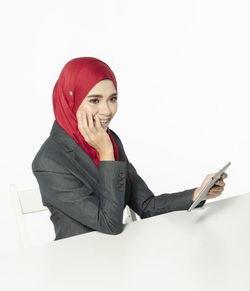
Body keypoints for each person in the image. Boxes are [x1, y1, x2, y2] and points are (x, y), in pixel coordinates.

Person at [31, 57, 228, 241]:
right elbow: (110, 224)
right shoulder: (49, 162)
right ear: (70, 100)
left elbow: (146, 206)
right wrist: (106, 153)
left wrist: (197, 194)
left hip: (120, 256)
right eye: (94, 100)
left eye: (112, 99)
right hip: (79, 266)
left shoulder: (108, 140)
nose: (107, 111)